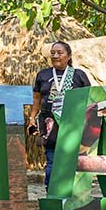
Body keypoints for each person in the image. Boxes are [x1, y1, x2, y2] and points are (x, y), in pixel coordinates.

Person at [28, 41, 91, 189]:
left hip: (73, 124)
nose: (55, 56)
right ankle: (51, 192)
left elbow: (89, 98)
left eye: (59, 53)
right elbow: (36, 98)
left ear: (69, 56)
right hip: (50, 124)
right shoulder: (43, 75)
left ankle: (73, 192)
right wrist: (32, 118)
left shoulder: (79, 75)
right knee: (51, 159)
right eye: (53, 53)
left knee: (74, 159)